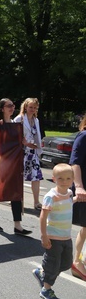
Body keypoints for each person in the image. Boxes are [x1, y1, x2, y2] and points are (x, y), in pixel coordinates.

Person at [0, 98, 31, 235]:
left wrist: (23, 142)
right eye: (9, 106)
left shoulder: (14, 124)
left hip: (13, 163)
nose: (12, 108)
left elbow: (17, 144)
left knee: (15, 191)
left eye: (13, 105)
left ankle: (17, 225)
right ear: (2, 109)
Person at [32, 163, 77, 299]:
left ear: (73, 179)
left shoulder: (69, 193)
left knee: (66, 263)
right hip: (53, 237)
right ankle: (46, 290)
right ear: (53, 179)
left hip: (66, 237)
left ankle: (42, 272)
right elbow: (43, 216)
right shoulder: (51, 196)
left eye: (68, 178)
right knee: (53, 264)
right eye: (61, 178)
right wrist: (44, 236)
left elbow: (68, 203)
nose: (65, 182)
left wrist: (77, 199)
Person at [14, 98, 43, 210]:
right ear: (25, 107)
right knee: (20, 176)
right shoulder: (19, 119)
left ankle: (36, 202)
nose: (33, 109)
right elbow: (13, 135)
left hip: (33, 152)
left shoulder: (36, 120)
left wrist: (38, 145)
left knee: (36, 177)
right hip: (22, 152)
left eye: (35, 108)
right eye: (31, 107)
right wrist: (24, 141)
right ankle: (18, 200)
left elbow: (37, 135)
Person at [69, 116, 86, 281]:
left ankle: (80, 261)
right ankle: (77, 261)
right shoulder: (84, 136)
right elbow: (75, 163)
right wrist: (79, 187)